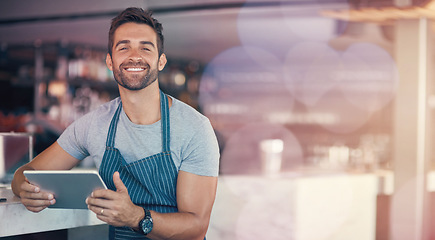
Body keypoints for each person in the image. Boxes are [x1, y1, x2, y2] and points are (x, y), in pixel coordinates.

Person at [11, 7, 220, 240]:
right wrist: (24, 189)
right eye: (124, 47)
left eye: (145, 47)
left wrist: (136, 217)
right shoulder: (94, 124)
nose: (134, 55)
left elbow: (196, 227)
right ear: (110, 61)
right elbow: (24, 174)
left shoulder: (195, 128)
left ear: (161, 61)